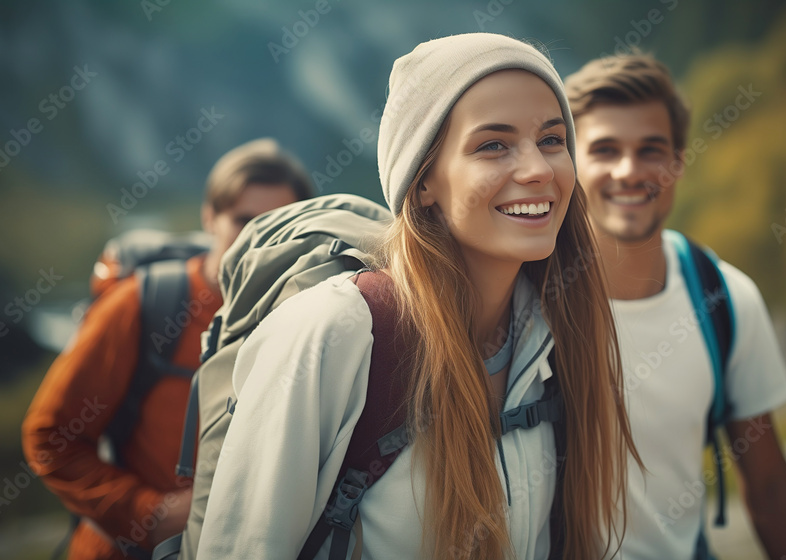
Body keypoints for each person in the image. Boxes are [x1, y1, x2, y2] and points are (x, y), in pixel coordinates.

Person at [196, 33, 637, 559]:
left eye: (552, 139)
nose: (538, 169)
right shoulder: (335, 331)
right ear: (422, 182)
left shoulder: (559, 335)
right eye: (493, 144)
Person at [564, 53, 786, 559]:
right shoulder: (518, 298)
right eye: (605, 149)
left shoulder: (725, 298)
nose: (629, 171)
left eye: (651, 150)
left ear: (678, 162)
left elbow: (768, 486)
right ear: (569, 164)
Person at [22, 138, 315, 560]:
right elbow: (49, 435)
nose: (256, 240)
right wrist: (149, 514)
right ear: (210, 217)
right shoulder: (143, 303)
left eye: (274, 226)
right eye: (243, 220)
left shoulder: (299, 315)